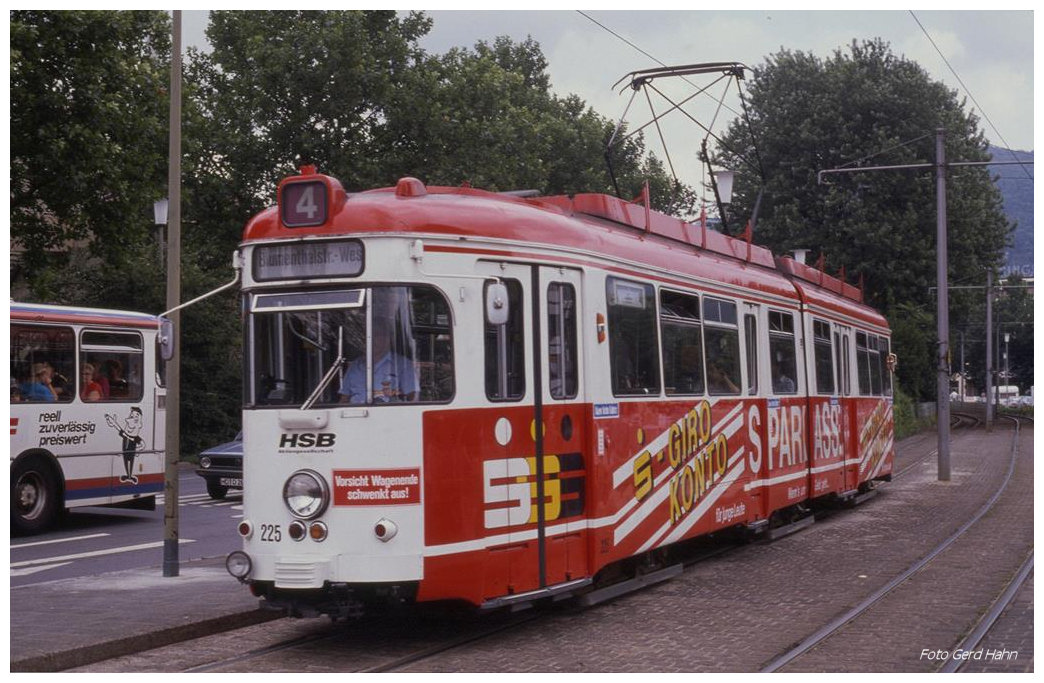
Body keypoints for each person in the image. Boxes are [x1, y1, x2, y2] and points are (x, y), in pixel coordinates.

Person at [339, 318, 418, 404]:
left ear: (388, 338)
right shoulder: (355, 365)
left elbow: (413, 399)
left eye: (377, 335)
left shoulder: (402, 365)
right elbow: (344, 399)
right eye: (369, 335)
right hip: (354, 414)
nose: (371, 339)